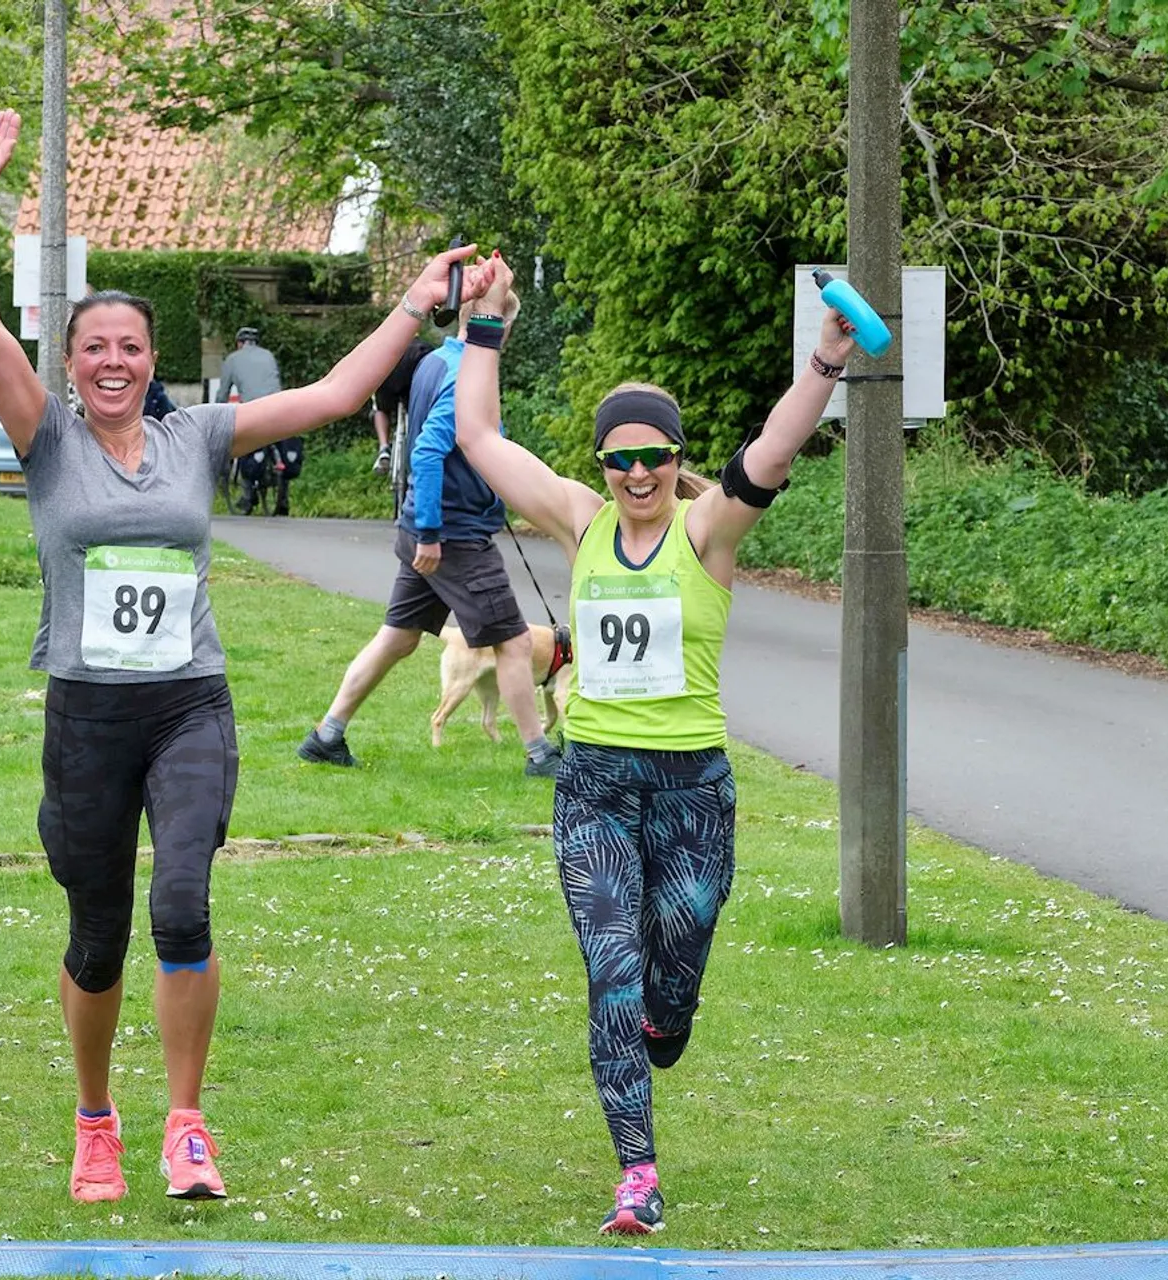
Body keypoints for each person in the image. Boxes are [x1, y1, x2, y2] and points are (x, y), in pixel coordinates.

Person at [0, 109, 483, 1206]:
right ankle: (96, 1119)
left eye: (129, 347)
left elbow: (334, 398)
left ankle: (186, 1125)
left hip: (189, 704)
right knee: (96, 936)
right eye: (93, 346)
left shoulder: (197, 438)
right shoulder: (45, 439)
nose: (110, 361)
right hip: (87, 717)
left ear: (151, 364)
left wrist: (417, 302)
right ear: (72, 361)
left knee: (181, 904)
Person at [448, 251, 857, 1235]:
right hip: (592, 783)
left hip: (692, 793)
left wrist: (825, 367)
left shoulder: (707, 530)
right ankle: (637, 1169)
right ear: (602, 467)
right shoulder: (580, 522)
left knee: (670, 975)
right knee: (613, 964)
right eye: (619, 458)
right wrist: (484, 325)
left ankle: (666, 1022)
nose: (636, 474)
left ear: (678, 458)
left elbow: (769, 453)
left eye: (653, 456)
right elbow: (476, 434)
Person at [297, 293, 559, 776]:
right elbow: (428, 452)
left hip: (426, 524)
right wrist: (432, 534)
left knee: (398, 638)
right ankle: (541, 755)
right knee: (516, 643)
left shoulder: (435, 361)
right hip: (452, 537)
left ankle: (326, 735)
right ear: (501, 328)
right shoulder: (465, 377)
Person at [218, 327, 299, 515]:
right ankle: (283, 498)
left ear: (239, 343)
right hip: (280, 407)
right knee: (280, 446)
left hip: (254, 409)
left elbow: (223, 393)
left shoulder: (232, 359)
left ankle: (247, 496)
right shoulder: (268, 355)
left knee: (246, 444)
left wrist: (217, 411)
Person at [373, 337, 434, 476]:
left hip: (389, 380)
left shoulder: (385, 347)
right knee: (424, 404)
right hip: (415, 377)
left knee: (380, 408)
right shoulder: (423, 347)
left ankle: (384, 448)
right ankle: (426, 441)